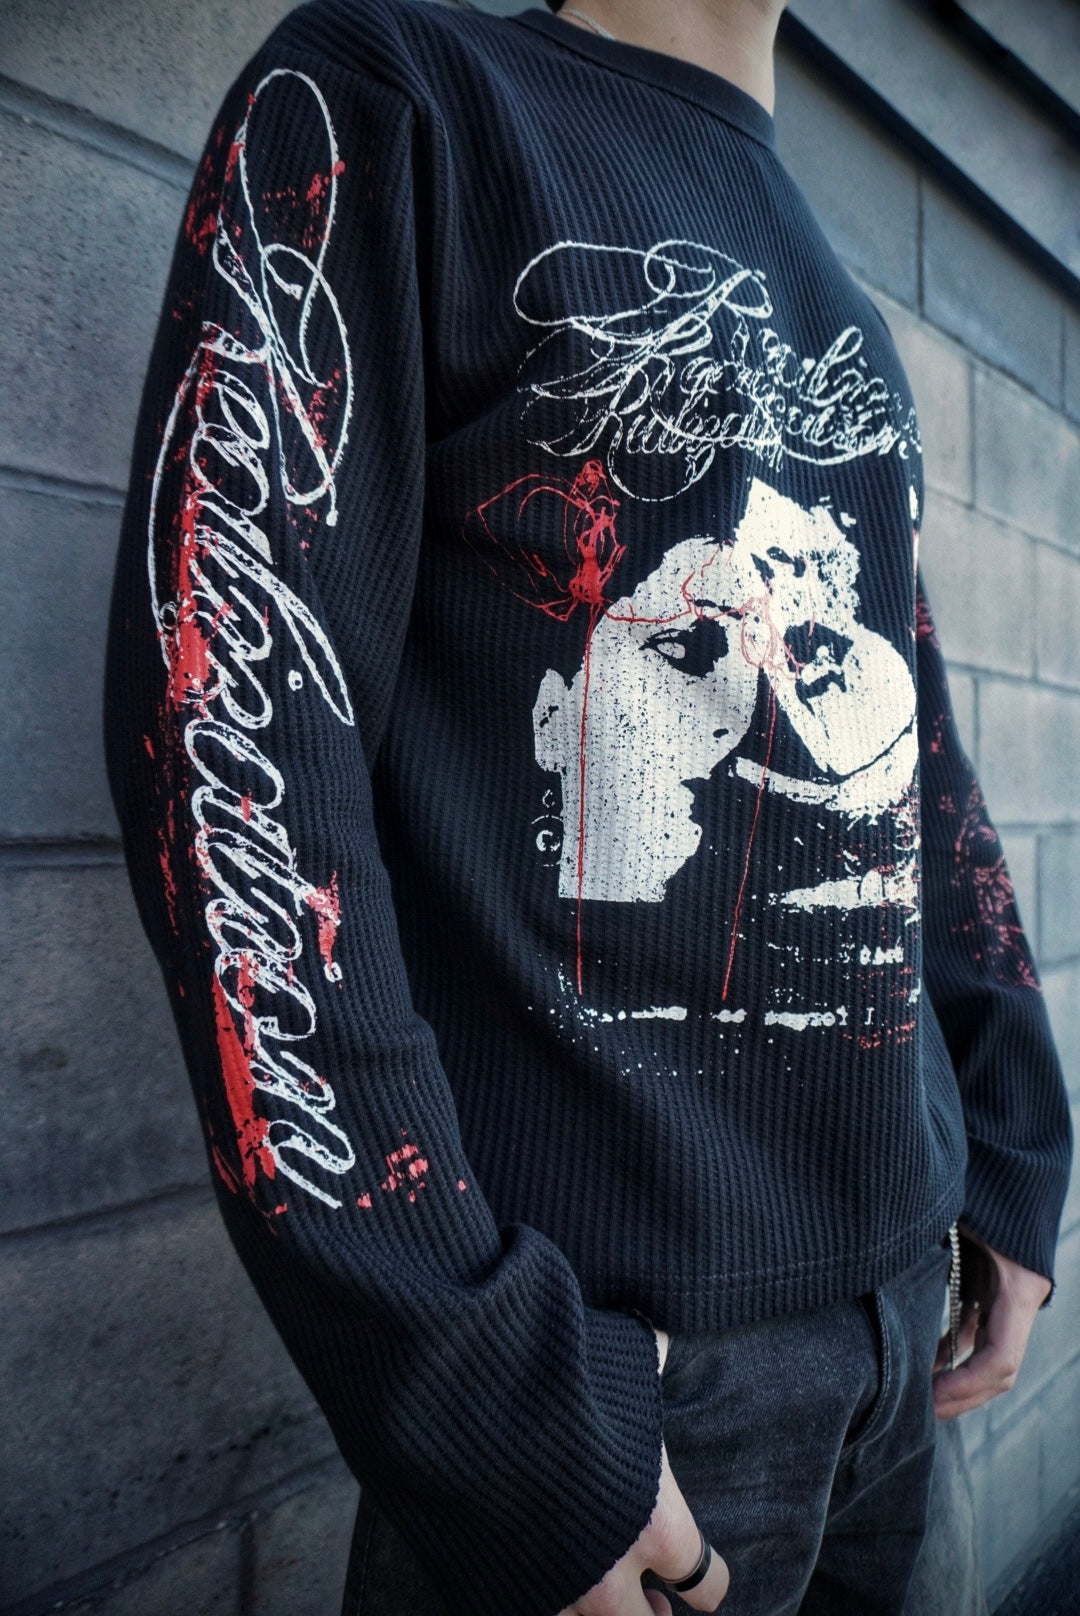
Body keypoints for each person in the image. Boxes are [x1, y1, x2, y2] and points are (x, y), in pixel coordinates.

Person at [103, 0, 1072, 1612]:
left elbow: (925, 760)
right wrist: (483, 1391)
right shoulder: (401, 97)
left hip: (910, 1335)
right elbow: (229, 739)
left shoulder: (837, 292)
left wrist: (1011, 1138)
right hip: (625, 1399)